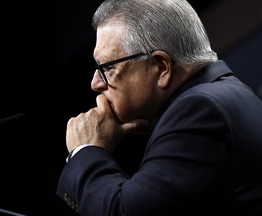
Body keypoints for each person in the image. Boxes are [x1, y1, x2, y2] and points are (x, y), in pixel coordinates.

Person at [56, 0, 262, 215]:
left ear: (161, 67)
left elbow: (124, 212)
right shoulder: (223, 96)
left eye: (107, 67)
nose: (95, 84)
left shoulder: (200, 110)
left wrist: (86, 150)